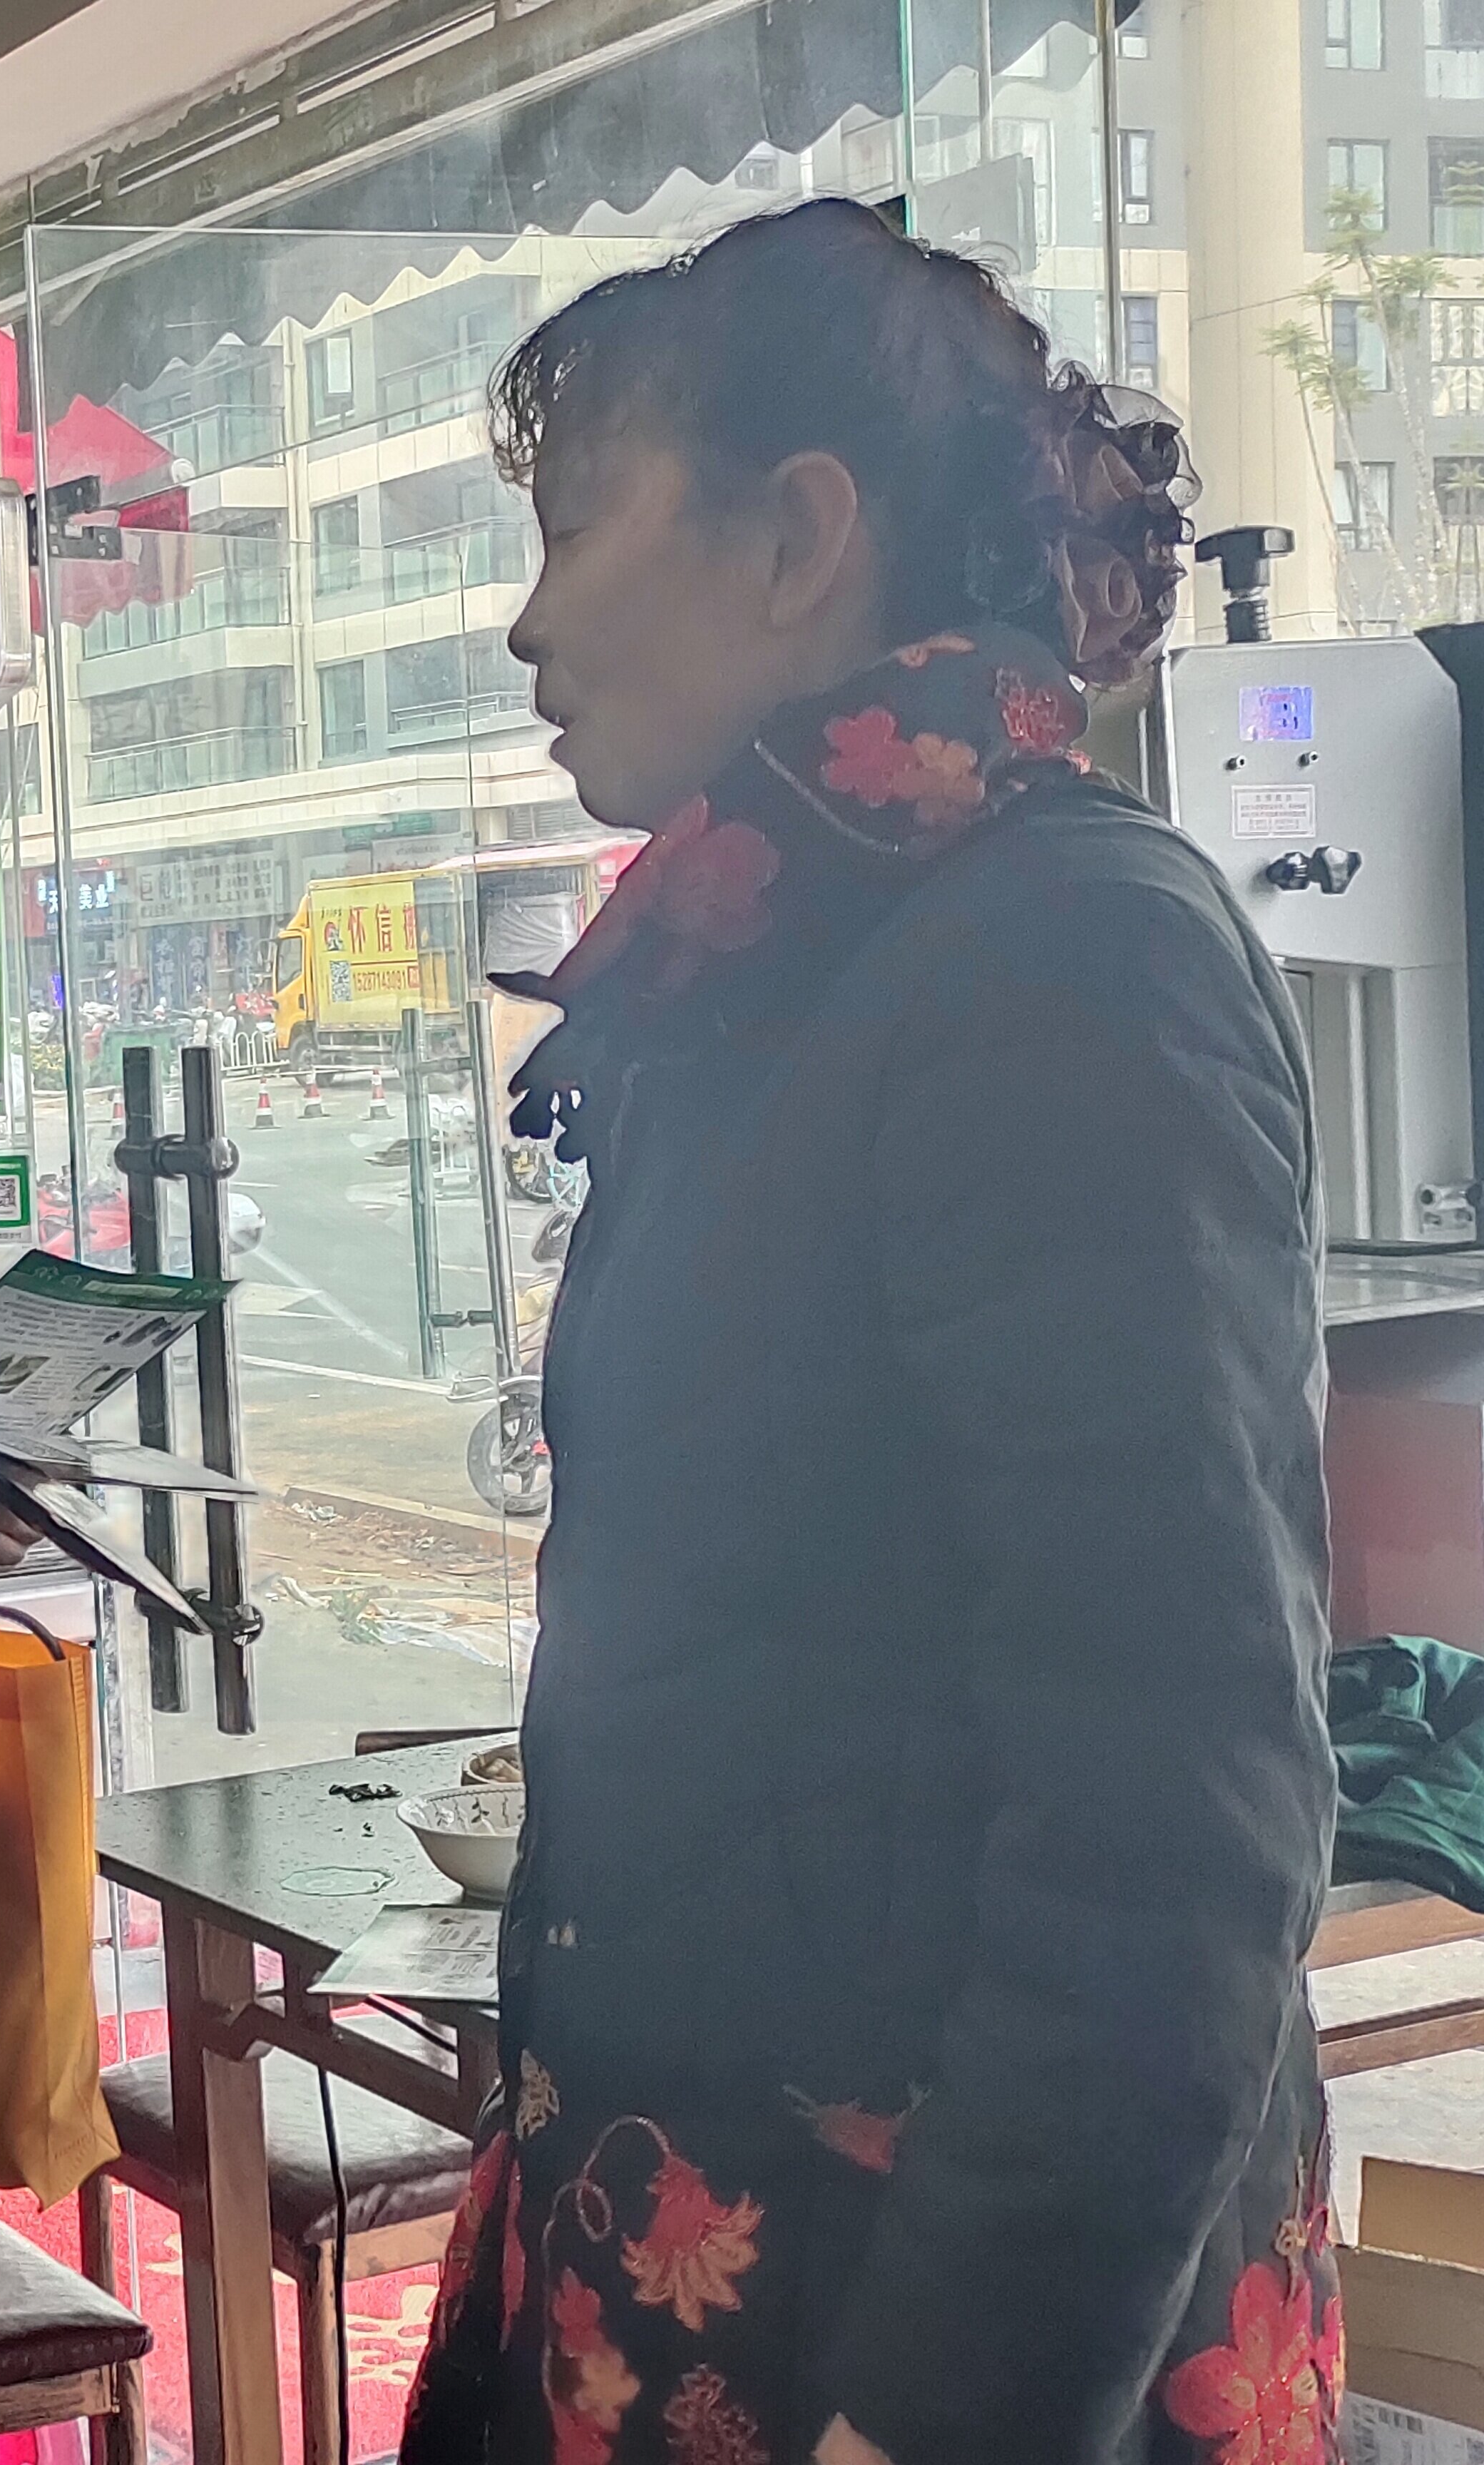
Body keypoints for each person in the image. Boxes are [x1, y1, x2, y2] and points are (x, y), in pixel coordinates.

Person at [399, 202, 1337, 2465]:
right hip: (699, 2242)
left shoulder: (1061, 955)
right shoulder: (782, 961)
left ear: (797, 535)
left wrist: (946, 2416)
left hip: (925, 2318)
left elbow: (1176, 1818)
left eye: (572, 525)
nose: (528, 618)